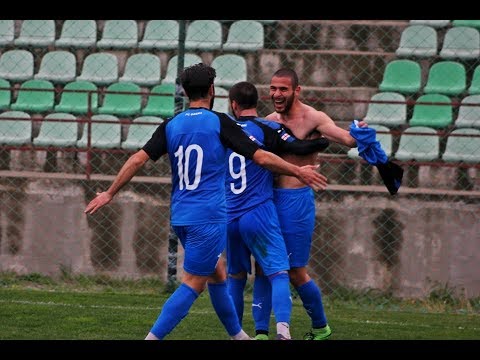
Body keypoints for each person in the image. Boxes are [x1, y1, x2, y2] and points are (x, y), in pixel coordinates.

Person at [84, 63, 327, 340]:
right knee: (194, 283)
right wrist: (297, 170)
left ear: (186, 92)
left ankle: (239, 336)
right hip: (208, 218)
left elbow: (138, 158)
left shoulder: (172, 124)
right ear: (212, 90)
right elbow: (259, 156)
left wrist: (110, 192)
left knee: (218, 273)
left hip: (181, 217)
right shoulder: (218, 122)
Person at [252, 68, 368, 340]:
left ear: (297, 90)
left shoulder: (313, 118)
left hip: (296, 202)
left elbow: (347, 140)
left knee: (294, 271)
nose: (276, 94)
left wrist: (359, 132)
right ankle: (260, 333)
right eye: (273, 89)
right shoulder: (268, 120)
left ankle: (320, 327)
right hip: (268, 200)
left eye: (283, 89)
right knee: (263, 266)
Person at [225, 81, 330, 340]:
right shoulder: (268, 127)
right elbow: (297, 147)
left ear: (233, 105)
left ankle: (238, 334)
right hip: (258, 211)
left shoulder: (221, 128)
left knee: (236, 276)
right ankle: (283, 330)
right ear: (256, 104)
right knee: (279, 271)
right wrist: (322, 141)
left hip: (228, 214)